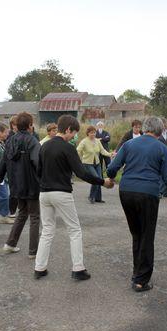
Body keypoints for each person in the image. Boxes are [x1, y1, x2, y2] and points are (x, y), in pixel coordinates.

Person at [107, 117, 167, 292]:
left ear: (144, 129)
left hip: (126, 192)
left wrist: (111, 178)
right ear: (160, 132)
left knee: (136, 233)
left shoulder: (129, 144)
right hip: (148, 194)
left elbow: (112, 168)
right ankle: (140, 280)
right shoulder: (162, 148)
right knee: (146, 235)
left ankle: (137, 272)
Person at [34, 115, 114, 281]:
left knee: (47, 230)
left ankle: (39, 267)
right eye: (74, 133)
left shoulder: (44, 146)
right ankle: (78, 268)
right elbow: (82, 173)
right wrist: (102, 182)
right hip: (61, 192)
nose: (74, 137)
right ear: (68, 129)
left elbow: (38, 170)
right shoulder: (68, 147)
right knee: (74, 230)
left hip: (44, 193)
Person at [0, 112, 41, 258]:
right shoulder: (32, 141)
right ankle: (34, 252)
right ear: (30, 125)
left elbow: (3, 162)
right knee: (34, 216)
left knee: (22, 213)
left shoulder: (9, 141)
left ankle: (10, 244)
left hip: (16, 185)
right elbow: (37, 162)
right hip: (31, 185)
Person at [77, 125, 113, 204]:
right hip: (87, 163)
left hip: (97, 163)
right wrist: (77, 160)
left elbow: (102, 151)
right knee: (96, 178)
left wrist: (110, 154)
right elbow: (78, 151)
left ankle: (98, 198)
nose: (93, 134)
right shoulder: (84, 141)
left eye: (94, 133)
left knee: (100, 179)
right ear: (88, 133)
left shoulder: (97, 141)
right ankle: (91, 196)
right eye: (91, 133)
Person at [6, 115, 18, 217]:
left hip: (17, 167)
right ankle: (11, 211)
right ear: (12, 125)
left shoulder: (18, 135)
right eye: (14, 124)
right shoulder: (10, 137)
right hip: (11, 166)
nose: (16, 126)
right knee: (13, 190)